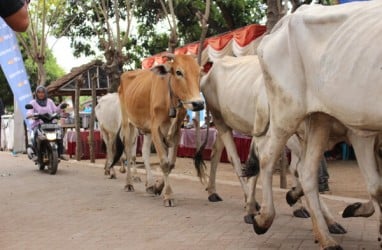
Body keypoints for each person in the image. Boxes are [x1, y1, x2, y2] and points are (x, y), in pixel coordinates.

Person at [27, 85, 68, 161]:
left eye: (42, 92)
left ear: (45, 93)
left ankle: (61, 153)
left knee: (59, 133)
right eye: (39, 92)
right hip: (38, 124)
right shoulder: (33, 103)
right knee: (36, 134)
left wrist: (61, 106)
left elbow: (55, 110)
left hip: (51, 123)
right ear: (36, 94)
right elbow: (30, 112)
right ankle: (36, 154)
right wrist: (31, 115)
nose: (41, 94)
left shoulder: (50, 101)